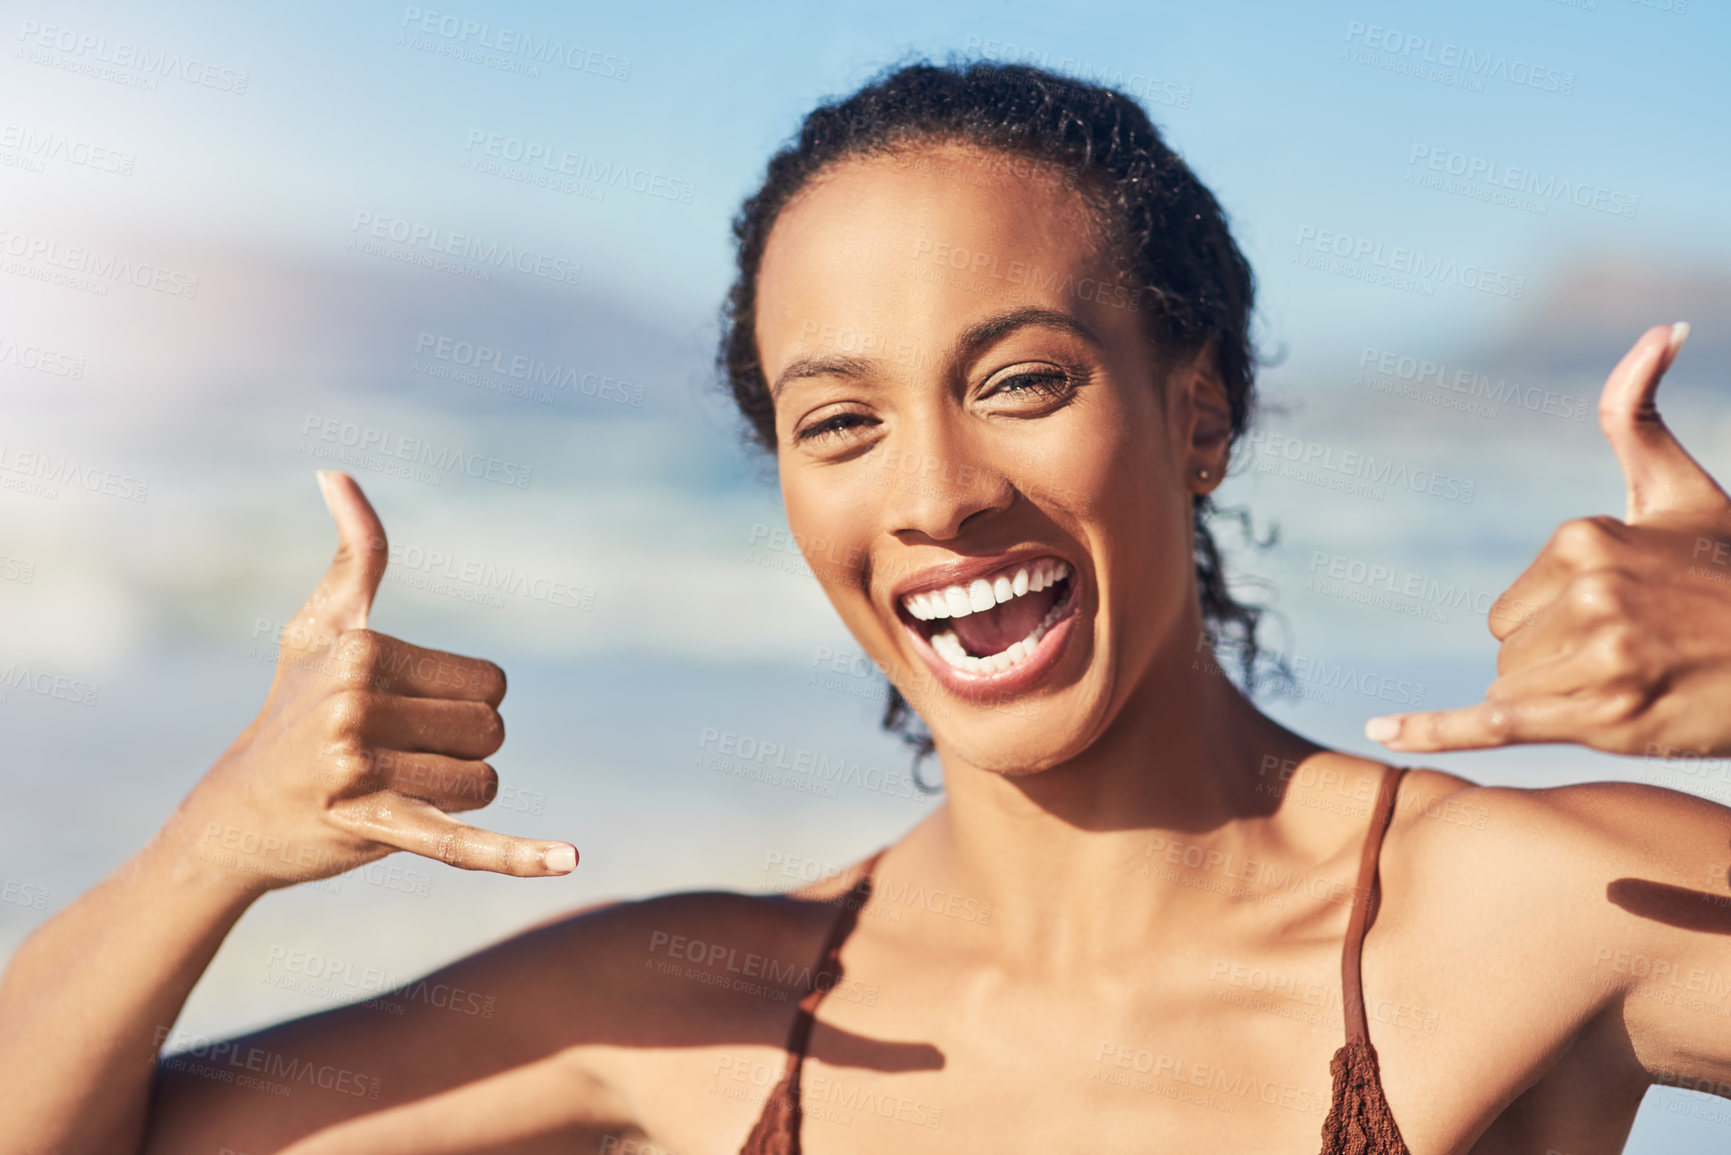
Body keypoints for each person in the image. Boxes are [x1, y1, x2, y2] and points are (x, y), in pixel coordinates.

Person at [4, 60, 1730, 1155]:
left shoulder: (1538, 910)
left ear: (1198, 411)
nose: (933, 494)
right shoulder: (683, 1008)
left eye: (1025, 380)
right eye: (839, 422)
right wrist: (207, 848)